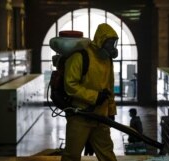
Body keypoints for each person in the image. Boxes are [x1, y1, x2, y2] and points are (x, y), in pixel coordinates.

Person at [61, 23, 118, 161]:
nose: (112, 47)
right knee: (72, 155)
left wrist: (111, 111)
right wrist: (95, 97)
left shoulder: (107, 60)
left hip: (101, 117)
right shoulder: (80, 57)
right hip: (80, 116)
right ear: (100, 41)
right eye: (109, 43)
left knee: (107, 154)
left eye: (114, 43)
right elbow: (70, 85)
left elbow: (109, 87)